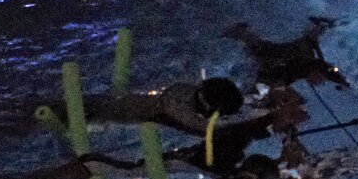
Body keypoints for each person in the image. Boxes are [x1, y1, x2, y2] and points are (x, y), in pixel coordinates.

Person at [58, 74, 246, 135]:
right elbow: (201, 127)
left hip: (118, 104)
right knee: (68, 123)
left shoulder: (183, 89)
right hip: (112, 116)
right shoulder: (177, 110)